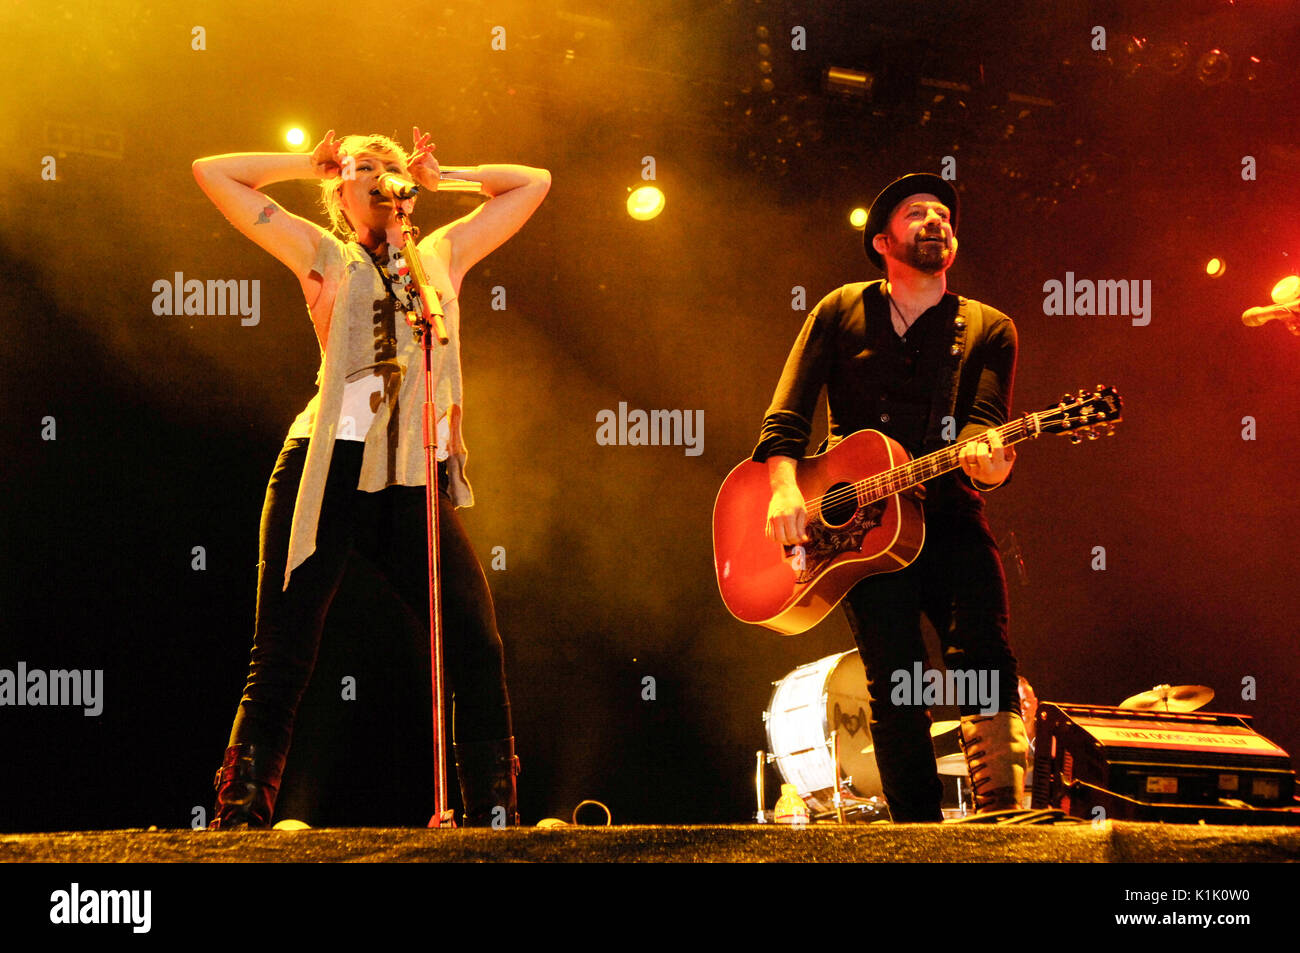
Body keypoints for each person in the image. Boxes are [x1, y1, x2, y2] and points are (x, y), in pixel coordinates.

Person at [192, 128, 550, 828]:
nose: (384, 177)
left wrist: (450, 178)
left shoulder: (441, 255)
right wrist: (306, 164)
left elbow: (532, 181)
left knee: (475, 638)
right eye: (365, 169)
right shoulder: (323, 252)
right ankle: (241, 812)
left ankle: (494, 812)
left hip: (408, 476)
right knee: (284, 646)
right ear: (340, 191)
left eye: (393, 168)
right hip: (327, 464)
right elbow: (214, 171)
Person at [754, 173, 1028, 821]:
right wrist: (784, 489)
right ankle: (915, 833)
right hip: (862, 529)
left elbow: (985, 427)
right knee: (894, 677)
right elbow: (787, 416)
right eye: (916, 213)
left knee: (981, 656)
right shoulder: (840, 308)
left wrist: (991, 466)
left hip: (952, 513)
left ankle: (1003, 819)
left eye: (943, 214)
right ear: (882, 240)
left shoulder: (989, 327)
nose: (935, 220)